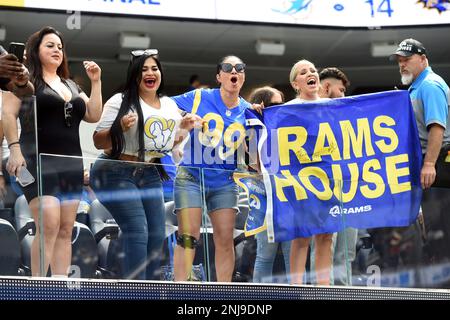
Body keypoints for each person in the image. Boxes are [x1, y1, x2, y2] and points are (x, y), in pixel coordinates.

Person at [90, 49, 200, 280]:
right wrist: (119, 128)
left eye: (154, 68)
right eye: (144, 69)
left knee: (156, 234)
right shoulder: (120, 101)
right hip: (114, 170)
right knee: (137, 230)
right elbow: (98, 141)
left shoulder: (169, 105)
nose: (150, 73)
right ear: (135, 75)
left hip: (149, 171)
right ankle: (136, 290)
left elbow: (167, 144)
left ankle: (149, 287)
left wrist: (184, 128)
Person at [3, 26, 103, 277]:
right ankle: (39, 285)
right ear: (35, 51)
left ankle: (59, 285)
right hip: (37, 160)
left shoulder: (70, 84)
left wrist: (96, 81)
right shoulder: (26, 80)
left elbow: (93, 114)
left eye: (60, 46)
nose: (57, 50)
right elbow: (8, 114)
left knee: (66, 228)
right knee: (48, 225)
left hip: (70, 163)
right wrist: (14, 150)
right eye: (50, 45)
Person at [171, 55, 251, 282]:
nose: (234, 71)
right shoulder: (199, 96)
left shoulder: (248, 110)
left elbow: (254, 153)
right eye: (228, 68)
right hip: (191, 177)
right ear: (219, 76)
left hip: (225, 181)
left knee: (225, 238)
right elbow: (164, 105)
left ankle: (223, 293)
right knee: (188, 236)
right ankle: (181, 289)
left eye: (239, 68)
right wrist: (184, 118)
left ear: (242, 77)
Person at [390, 38, 450, 262]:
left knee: (440, 232)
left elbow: (437, 127)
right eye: (399, 61)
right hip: (428, 164)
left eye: (407, 59)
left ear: (423, 59)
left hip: (437, 165)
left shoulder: (430, 85)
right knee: (431, 233)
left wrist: (428, 164)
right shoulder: (417, 86)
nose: (402, 65)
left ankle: (444, 291)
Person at [286, 59, 334, 285]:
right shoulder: (287, 110)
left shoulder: (332, 107)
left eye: (313, 70)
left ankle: (323, 289)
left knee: (326, 236)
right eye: (303, 72)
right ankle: (297, 289)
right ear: (296, 84)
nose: (310, 74)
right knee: (302, 235)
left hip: (329, 178)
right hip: (300, 180)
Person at [316, 66, 359, 286]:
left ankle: (345, 294)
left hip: (349, 190)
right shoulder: (308, 111)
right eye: (341, 90)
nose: (343, 95)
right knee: (326, 249)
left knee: (346, 253)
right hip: (323, 192)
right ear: (327, 87)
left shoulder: (348, 115)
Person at [247, 86, 292, 284]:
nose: (280, 109)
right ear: (261, 105)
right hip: (265, 194)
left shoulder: (289, 128)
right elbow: (252, 163)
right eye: (274, 105)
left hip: (290, 194)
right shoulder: (251, 129)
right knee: (265, 255)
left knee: (293, 255)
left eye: (282, 104)